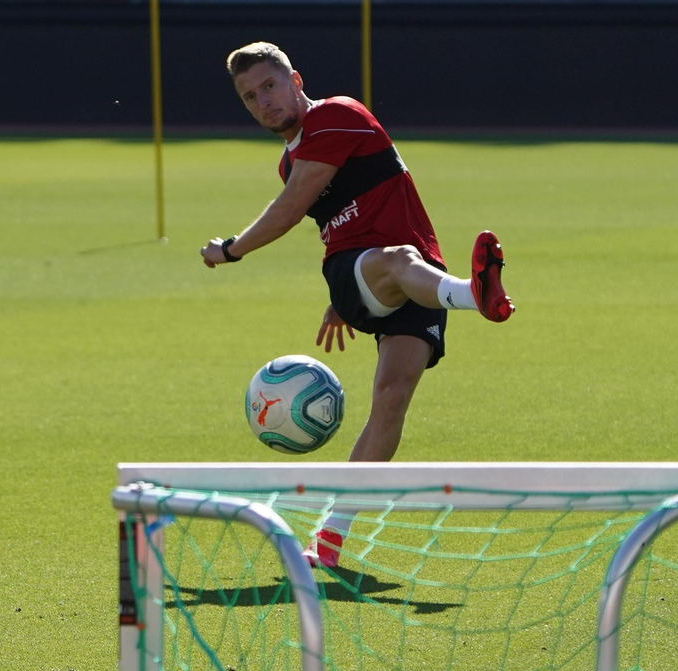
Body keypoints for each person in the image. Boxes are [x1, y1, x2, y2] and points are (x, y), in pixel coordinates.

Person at [201, 41, 515, 567]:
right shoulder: (291, 161)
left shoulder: (334, 115)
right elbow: (322, 221)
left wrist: (231, 249)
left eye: (270, 86)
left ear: (296, 80)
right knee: (396, 260)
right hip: (372, 271)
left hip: (413, 277)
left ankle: (329, 540)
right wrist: (343, 297)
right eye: (250, 96)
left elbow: (295, 206)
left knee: (392, 397)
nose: (263, 102)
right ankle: (472, 295)